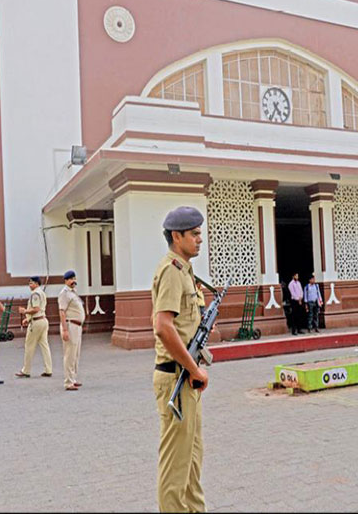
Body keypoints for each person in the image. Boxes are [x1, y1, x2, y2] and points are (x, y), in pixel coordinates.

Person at [151, 205, 210, 512]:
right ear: (177, 236)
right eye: (195, 233)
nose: (200, 239)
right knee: (176, 466)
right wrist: (193, 369)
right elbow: (163, 327)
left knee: (192, 462)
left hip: (186, 378)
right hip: (177, 377)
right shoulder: (172, 271)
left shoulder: (185, 271)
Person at [15, 276, 53, 378]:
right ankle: (48, 369)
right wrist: (27, 319)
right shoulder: (42, 293)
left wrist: (25, 311)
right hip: (42, 320)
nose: (29, 285)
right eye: (29, 283)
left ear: (37, 283)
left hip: (36, 323)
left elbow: (36, 309)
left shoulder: (35, 294)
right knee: (44, 345)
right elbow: (40, 309)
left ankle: (26, 370)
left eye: (31, 283)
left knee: (29, 346)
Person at [58, 270, 85, 391]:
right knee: (69, 354)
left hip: (77, 326)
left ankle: (73, 378)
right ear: (66, 281)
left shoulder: (74, 293)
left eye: (74, 278)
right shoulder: (64, 293)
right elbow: (62, 312)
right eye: (70, 279)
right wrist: (65, 330)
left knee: (76, 354)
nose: (73, 281)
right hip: (70, 325)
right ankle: (68, 381)